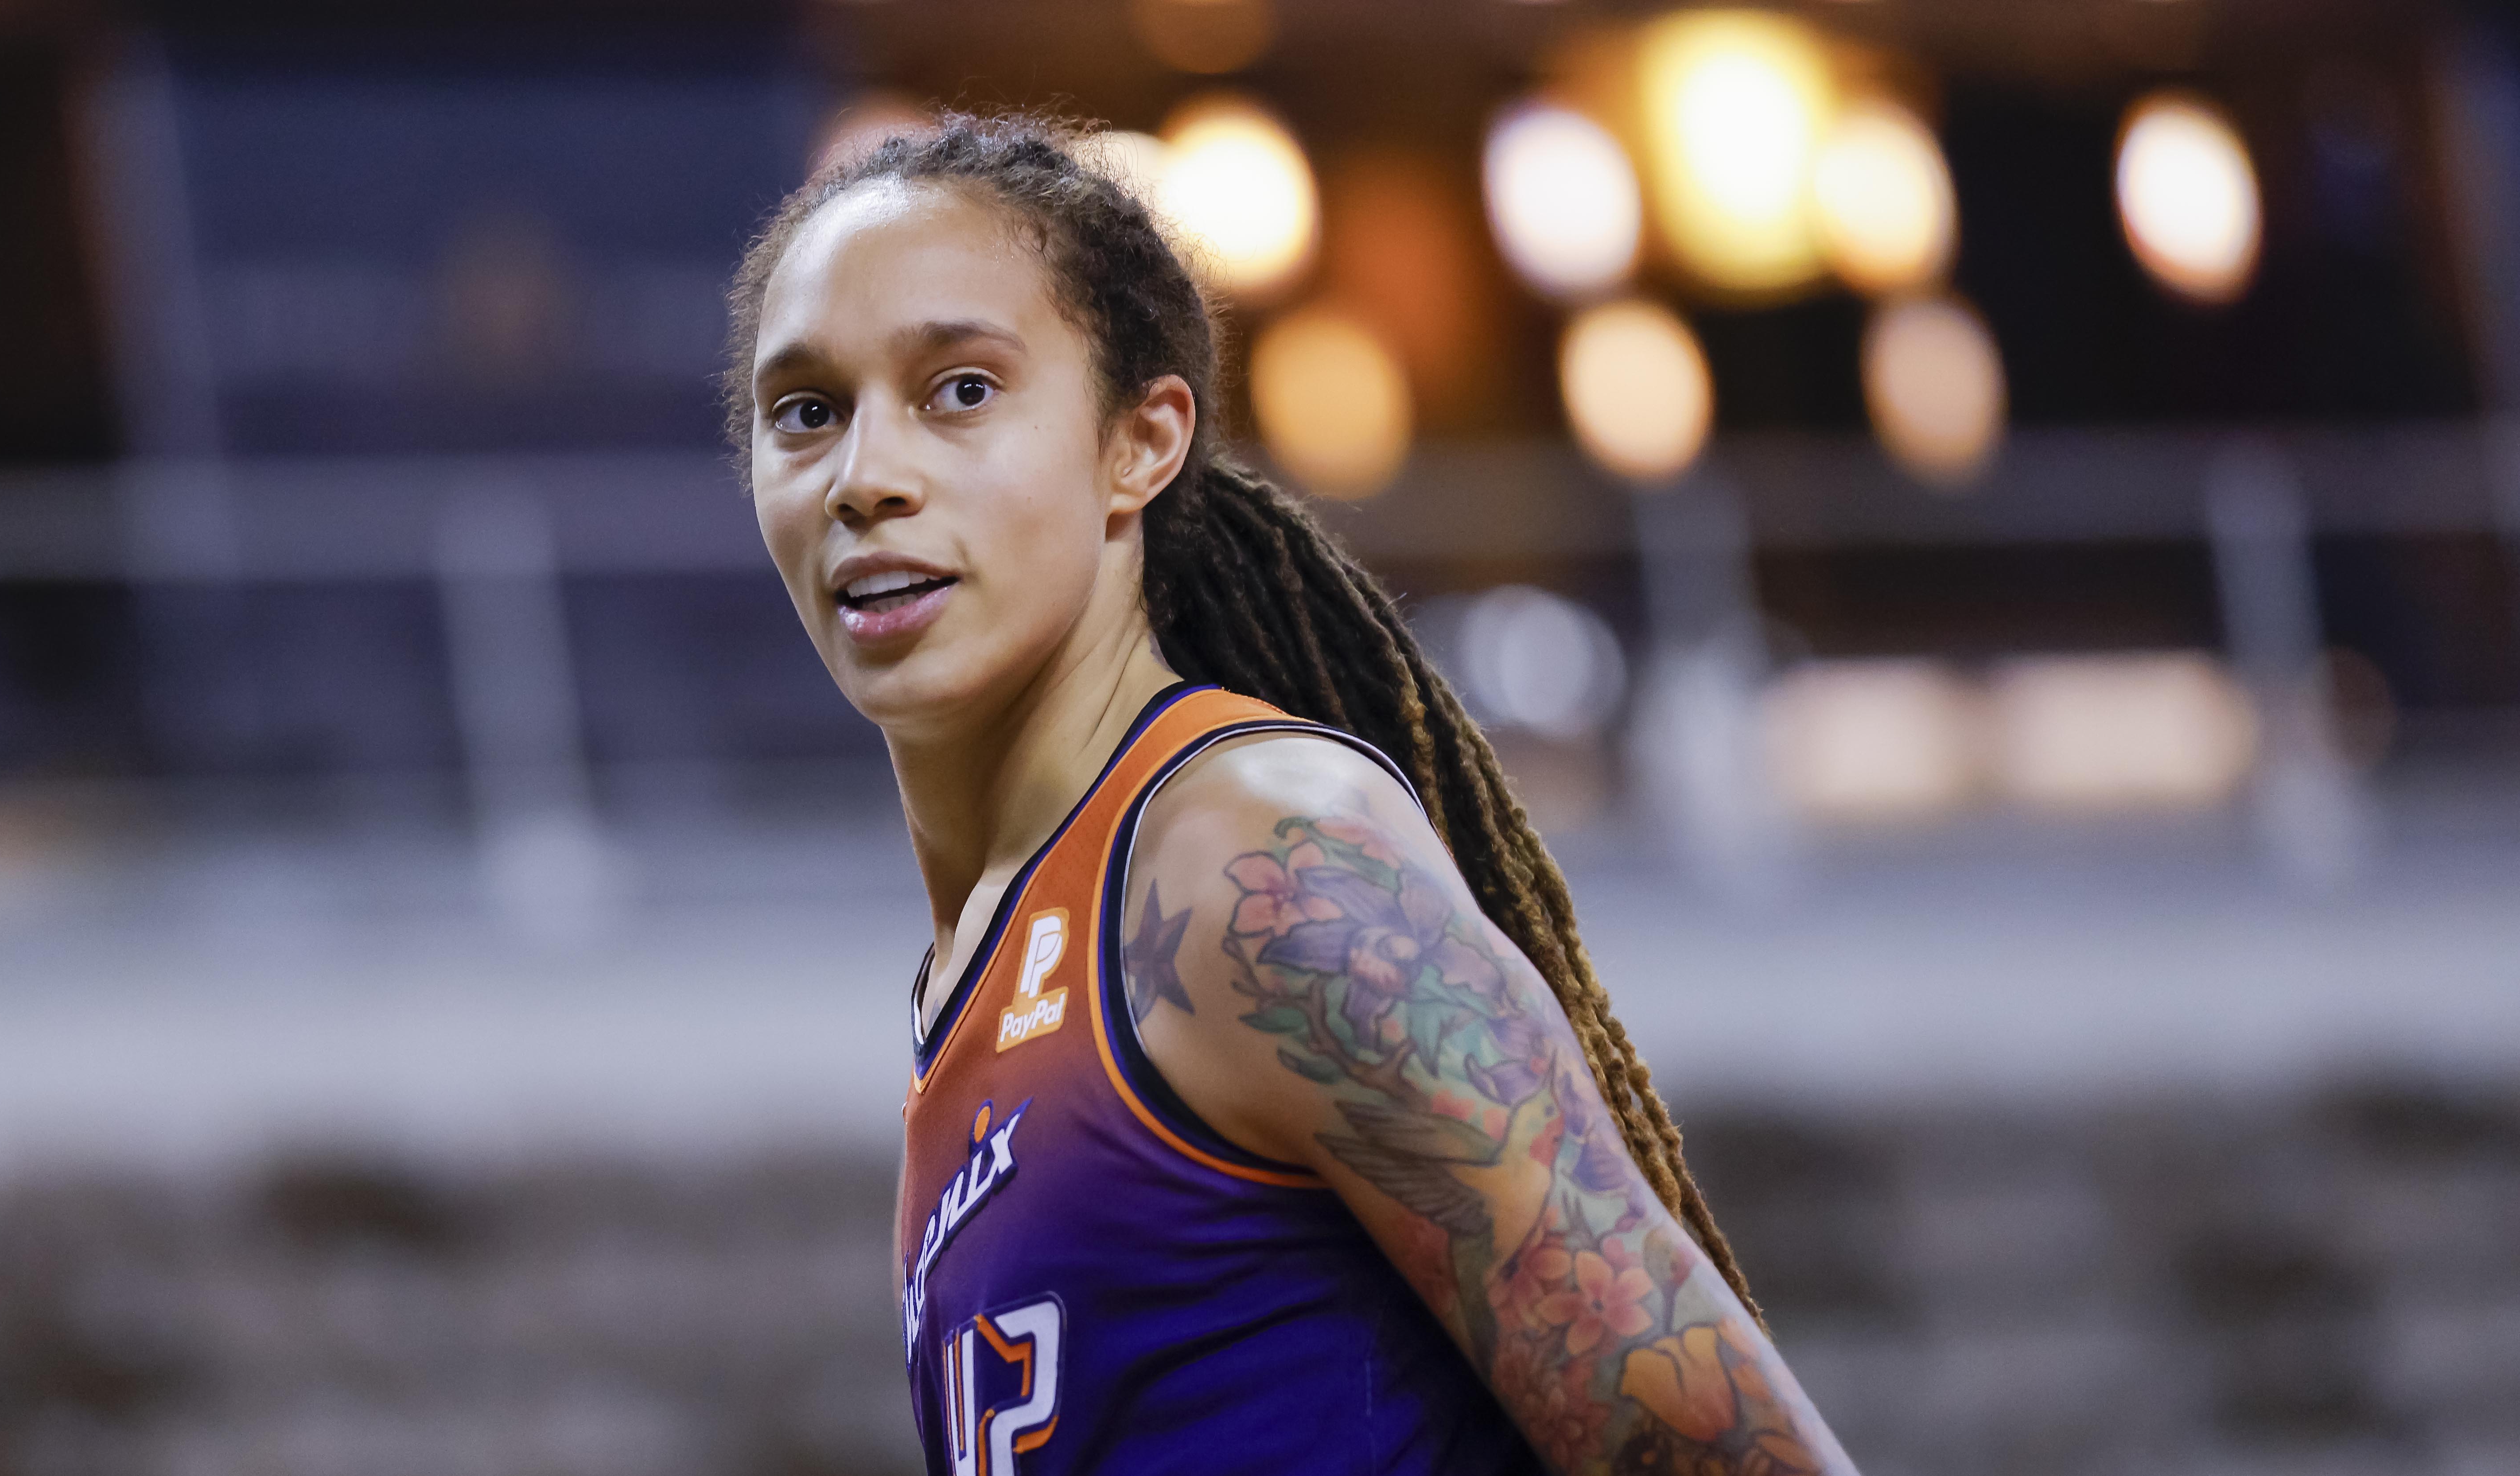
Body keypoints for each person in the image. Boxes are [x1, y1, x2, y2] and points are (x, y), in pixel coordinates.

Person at [727, 113, 1857, 1476]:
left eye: (962, 389)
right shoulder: (986, 958)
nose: (865, 479)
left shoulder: (1250, 862)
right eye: (806, 412)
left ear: (1139, 445)